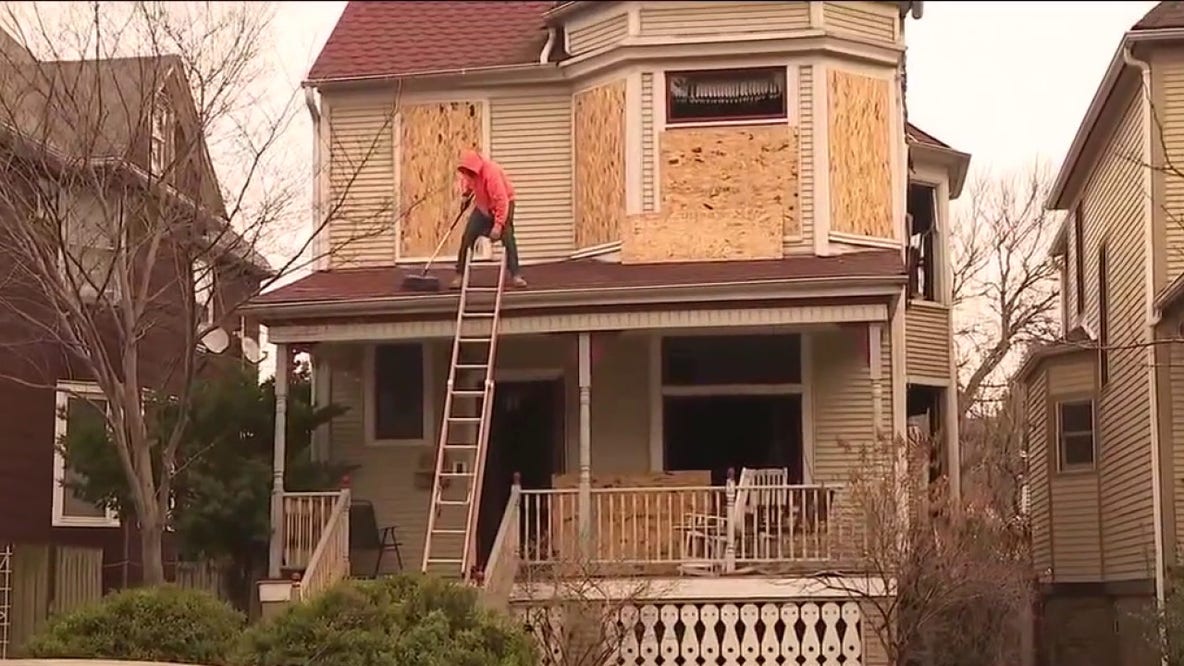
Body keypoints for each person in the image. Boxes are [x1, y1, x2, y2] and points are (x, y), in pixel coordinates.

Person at [452, 150, 527, 289]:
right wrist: (465, 195)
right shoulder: (469, 174)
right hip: (483, 206)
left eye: (469, 172)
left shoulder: (491, 174)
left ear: (476, 168)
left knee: (508, 236)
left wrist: (498, 226)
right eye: (465, 172)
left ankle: (516, 275)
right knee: (468, 236)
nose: (467, 175)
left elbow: (502, 201)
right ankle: (460, 274)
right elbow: (469, 184)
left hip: (503, 204)